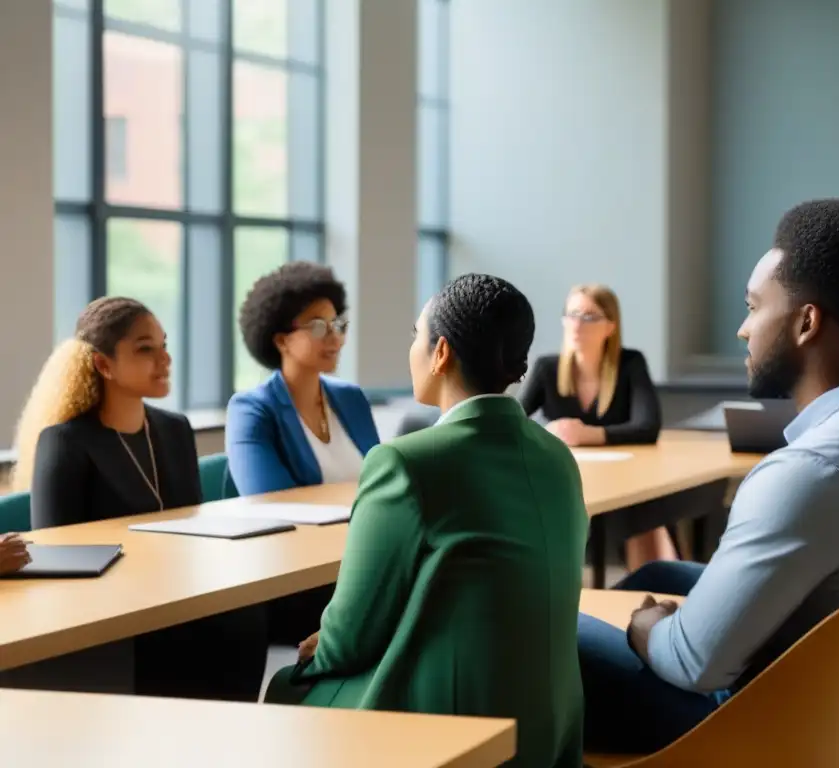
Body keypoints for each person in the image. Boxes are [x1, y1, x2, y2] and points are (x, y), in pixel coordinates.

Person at [576, 199, 839, 754]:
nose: (742, 330)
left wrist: (646, 628)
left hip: (756, 719)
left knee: (539, 626)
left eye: (753, 306)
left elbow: (691, 664)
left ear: (806, 322)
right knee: (663, 572)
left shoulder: (809, 474)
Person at [265, 274, 588, 768]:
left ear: (440, 353)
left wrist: (322, 648)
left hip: (447, 727)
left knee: (285, 686)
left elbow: (349, 640)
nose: (411, 350)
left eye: (415, 336)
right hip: (550, 729)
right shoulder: (557, 457)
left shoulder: (406, 462)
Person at [11, 296, 267, 700]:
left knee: (244, 618)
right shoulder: (64, 442)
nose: (164, 359)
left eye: (164, 345)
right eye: (145, 349)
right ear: (103, 364)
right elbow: (56, 556)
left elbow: (195, 529)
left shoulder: (174, 428)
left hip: (178, 591)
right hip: (111, 607)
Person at [227, 262, 380, 646]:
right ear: (281, 340)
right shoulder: (251, 410)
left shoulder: (350, 398)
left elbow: (383, 481)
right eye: (317, 326)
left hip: (362, 561)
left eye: (338, 324)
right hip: (298, 578)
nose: (335, 338)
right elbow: (276, 503)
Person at [518, 284, 676, 571]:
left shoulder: (630, 364)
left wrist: (588, 434)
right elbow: (514, 420)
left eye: (590, 316)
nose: (577, 324)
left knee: (646, 505)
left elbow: (648, 427)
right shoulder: (547, 368)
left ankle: (649, 585)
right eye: (572, 314)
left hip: (625, 477)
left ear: (610, 327)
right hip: (566, 476)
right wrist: (549, 432)